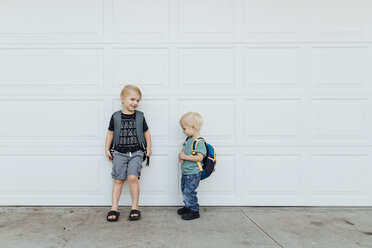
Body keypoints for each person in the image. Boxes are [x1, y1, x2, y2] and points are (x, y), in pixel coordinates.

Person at [105, 85, 151, 222]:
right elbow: (110, 133)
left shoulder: (140, 116)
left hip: (136, 152)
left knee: (132, 178)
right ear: (123, 99)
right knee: (118, 180)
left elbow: (146, 132)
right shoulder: (116, 116)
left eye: (138, 100)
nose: (135, 103)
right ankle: (114, 208)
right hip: (119, 153)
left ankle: (134, 207)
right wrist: (107, 148)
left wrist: (149, 147)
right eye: (132, 99)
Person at [178, 112, 206, 220]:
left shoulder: (199, 142)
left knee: (189, 191)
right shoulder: (189, 139)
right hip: (186, 172)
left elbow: (199, 157)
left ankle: (194, 210)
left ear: (193, 127)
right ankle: (188, 206)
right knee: (184, 190)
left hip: (193, 173)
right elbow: (183, 151)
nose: (183, 131)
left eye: (184, 129)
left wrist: (185, 157)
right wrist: (181, 156)